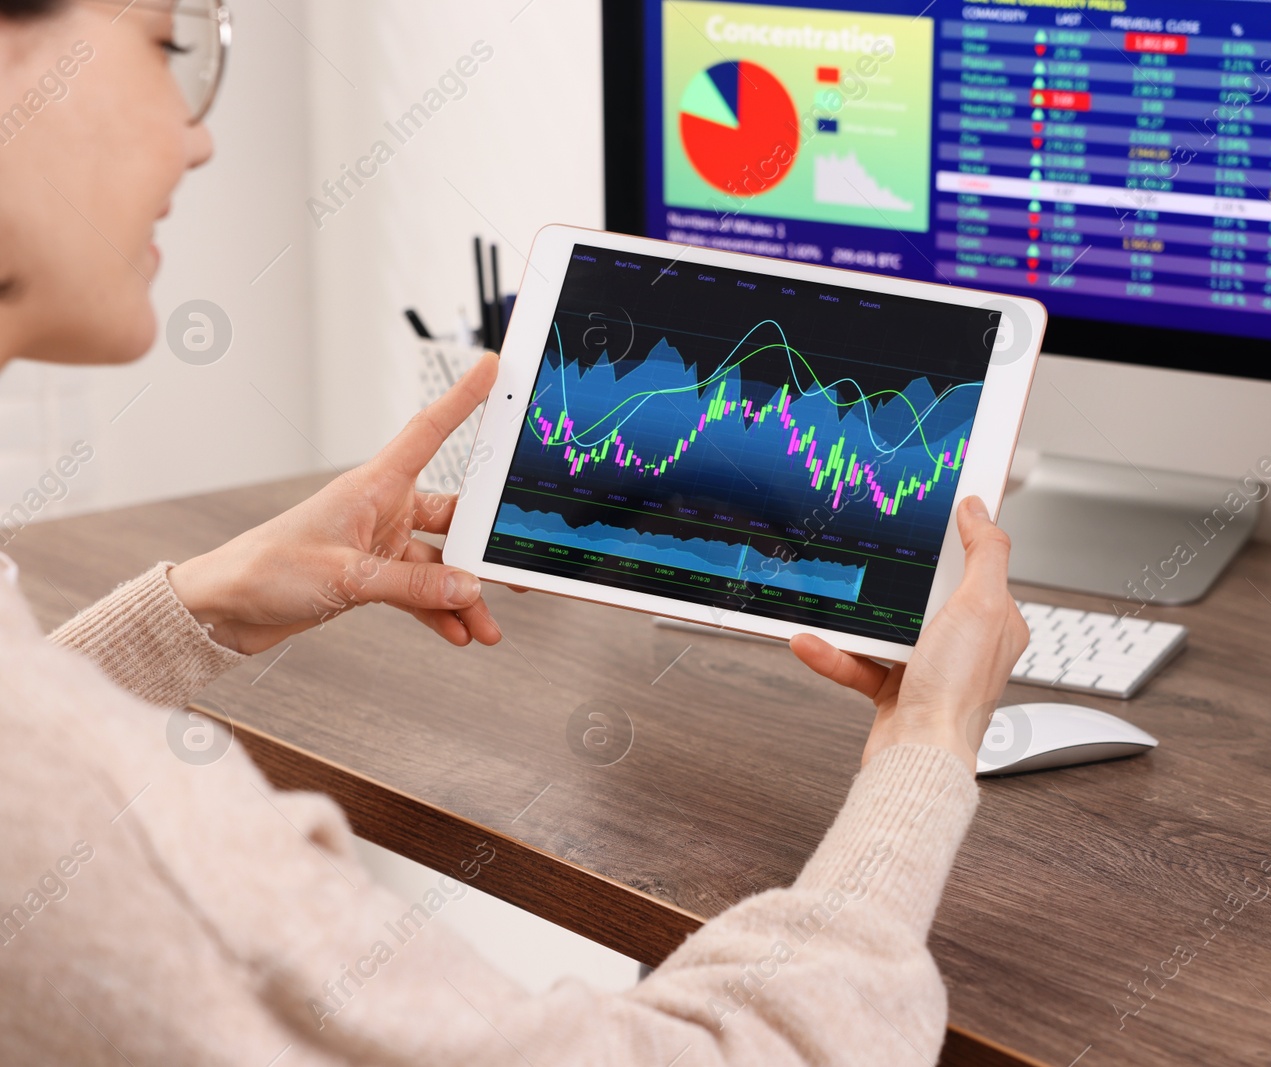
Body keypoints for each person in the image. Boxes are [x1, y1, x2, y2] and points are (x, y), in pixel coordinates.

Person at [0, 2, 1030, 1064]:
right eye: (169, 44)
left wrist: (198, 604)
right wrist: (927, 746)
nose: (196, 130)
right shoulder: (113, 827)